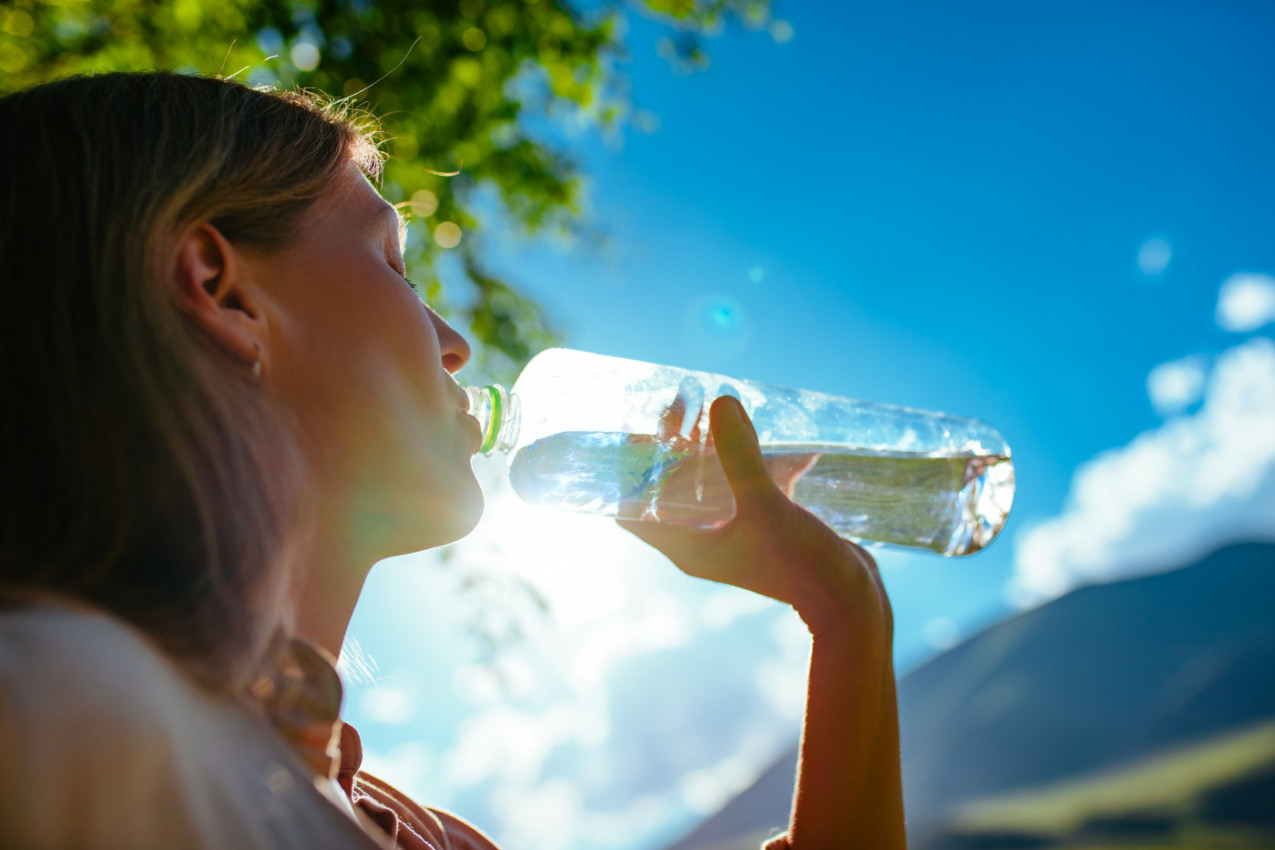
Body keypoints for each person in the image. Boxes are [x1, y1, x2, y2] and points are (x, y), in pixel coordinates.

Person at [0, 72, 905, 849]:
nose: (455, 343)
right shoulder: (61, 715)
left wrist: (844, 608)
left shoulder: (412, 831)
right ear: (223, 291)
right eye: (395, 268)